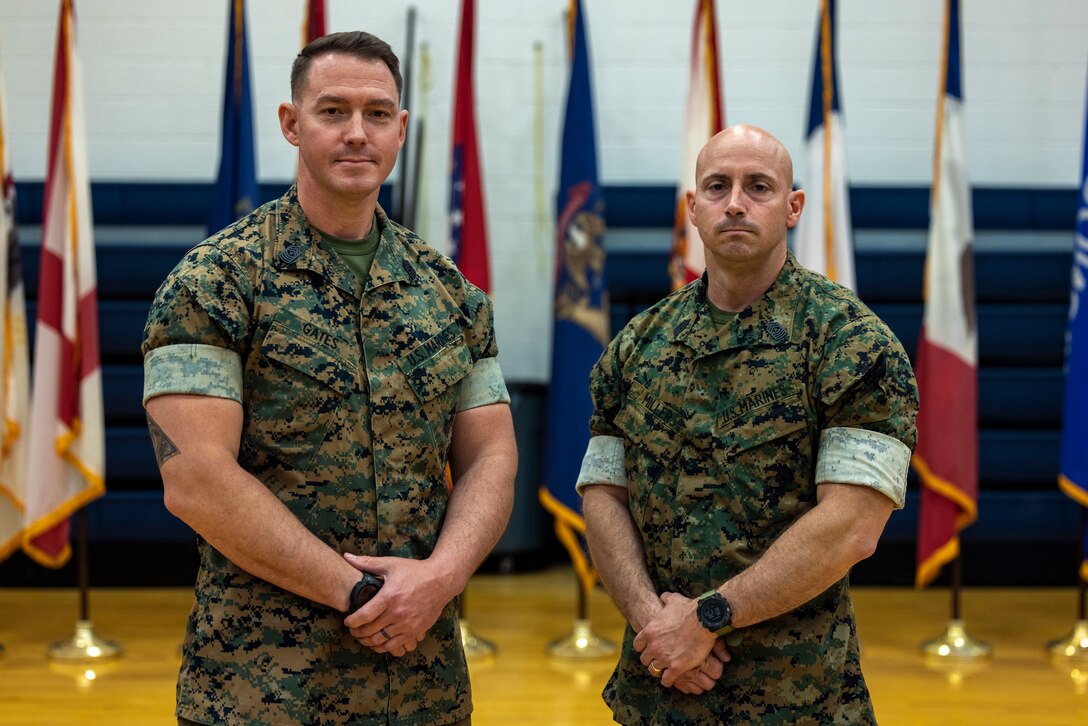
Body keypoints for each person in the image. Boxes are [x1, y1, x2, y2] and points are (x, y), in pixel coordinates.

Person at [141, 31, 517, 726]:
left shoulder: (452, 294)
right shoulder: (216, 284)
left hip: (421, 686)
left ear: (402, 129)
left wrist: (439, 579)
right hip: (263, 689)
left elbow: (492, 457)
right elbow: (195, 480)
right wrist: (359, 594)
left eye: (377, 114)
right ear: (291, 123)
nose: (356, 133)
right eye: (332, 111)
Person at [578, 124, 918, 724]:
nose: (735, 202)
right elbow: (605, 494)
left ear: (793, 208)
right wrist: (654, 624)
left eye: (758, 186)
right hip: (660, 689)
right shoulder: (639, 344)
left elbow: (852, 528)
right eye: (717, 186)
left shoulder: (851, 342)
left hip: (796, 699)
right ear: (693, 208)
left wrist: (706, 618)